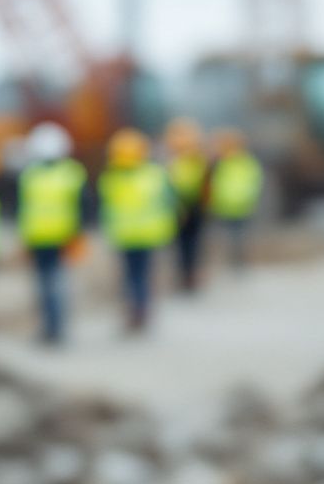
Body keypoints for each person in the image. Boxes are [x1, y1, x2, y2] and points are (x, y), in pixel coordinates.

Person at [98, 128, 176, 334]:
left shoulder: (111, 178)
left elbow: (105, 208)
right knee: (142, 275)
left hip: (125, 235)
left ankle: (135, 311)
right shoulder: (154, 175)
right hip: (148, 234)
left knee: (131, 276)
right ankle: (141, 310)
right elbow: (168, 202)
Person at [17, 122, 87, 343]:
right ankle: (52, 327)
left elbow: (82, 207)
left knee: (49, 285)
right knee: (51, 285)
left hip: (52, 239)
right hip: (49, 238)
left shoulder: (31, 175)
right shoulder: (71, 173)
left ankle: (54, 328)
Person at [164, 117, 210, 293]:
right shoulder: (188, 161)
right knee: (186, 245)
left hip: (191, 208)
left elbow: (205, 186)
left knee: (189, 245)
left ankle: (189, 274)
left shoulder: (194, 161)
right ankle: (186, 275)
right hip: (184, 208)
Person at [208, 127, 264, 271]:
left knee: (238, 235)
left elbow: (255, 180)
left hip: (241, 204)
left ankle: (238, 261)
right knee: (232, 235)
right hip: (226, 204)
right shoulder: (221, 162)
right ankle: (234, 260)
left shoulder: (244, 162)